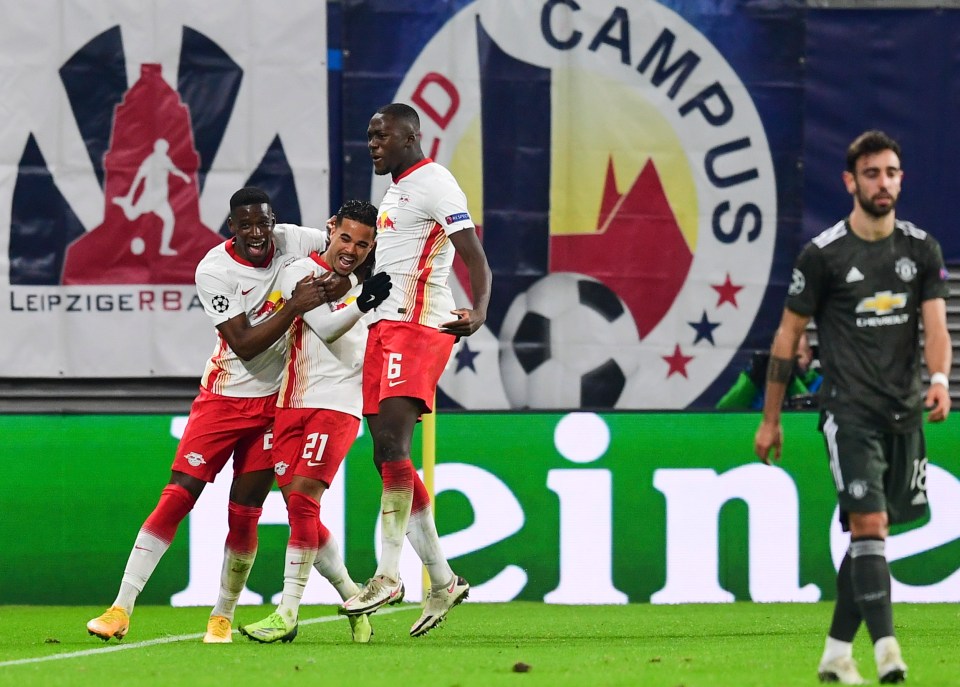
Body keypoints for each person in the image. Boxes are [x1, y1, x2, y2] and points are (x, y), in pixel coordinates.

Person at [86, 187, 351, 643]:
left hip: (275, 405)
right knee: (178, 495)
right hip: (223, 398)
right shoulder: (213, 270)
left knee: (245, 513)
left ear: (273, 222)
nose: (255, 233)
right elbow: (245, 345)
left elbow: (343, 255)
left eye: (262, 224)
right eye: (245, 225)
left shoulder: (295, 240)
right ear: (231, 227)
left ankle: (222, 616)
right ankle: (120, 608)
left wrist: (345, 280)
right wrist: (294, 305)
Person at [754, 130, 952, 685]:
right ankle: (888, 649)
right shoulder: (823, 256)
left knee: (872, 537)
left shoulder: (920, 250)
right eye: (872, 173)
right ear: (850, 181)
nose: (883, 182)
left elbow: (936, 329)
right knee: (870, 522)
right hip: (848, 414)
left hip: (905, 414)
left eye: (891, 172)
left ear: (900, 179)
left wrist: (939, 379)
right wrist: (770, 420)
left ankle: (836, 654)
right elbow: (785, 338)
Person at [339, 103, 492, 637]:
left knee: (395, 448)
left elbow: (473, 253)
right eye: (368, 135)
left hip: (418, 326)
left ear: (410, 136)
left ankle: (387, 574)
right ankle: (443, 579)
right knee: (385, 455)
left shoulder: (434, 183)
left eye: (381, 135)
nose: (372, 144)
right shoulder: (397, 188)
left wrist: (480, 308)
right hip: (384, 327)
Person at [238, 200, 391, 644]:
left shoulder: (371, 286)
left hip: (337, 405)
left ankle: (286, 612)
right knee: (298, 510)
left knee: (304, 501)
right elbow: (324, 326)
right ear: (330, 230)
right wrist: (363, 302)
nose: (352, 250)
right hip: (289, 403)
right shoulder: (298, 271)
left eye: (363, 244)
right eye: (346, 238)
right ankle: (353, 597)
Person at [716, 332, 822, 410]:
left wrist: (791, 381)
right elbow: (723, 412)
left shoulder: (821, 384)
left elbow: (812, 419)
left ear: (810, 355)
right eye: (782, 357)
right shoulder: (756, 382)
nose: (788, 364)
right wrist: (752, 381)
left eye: (797, 358)